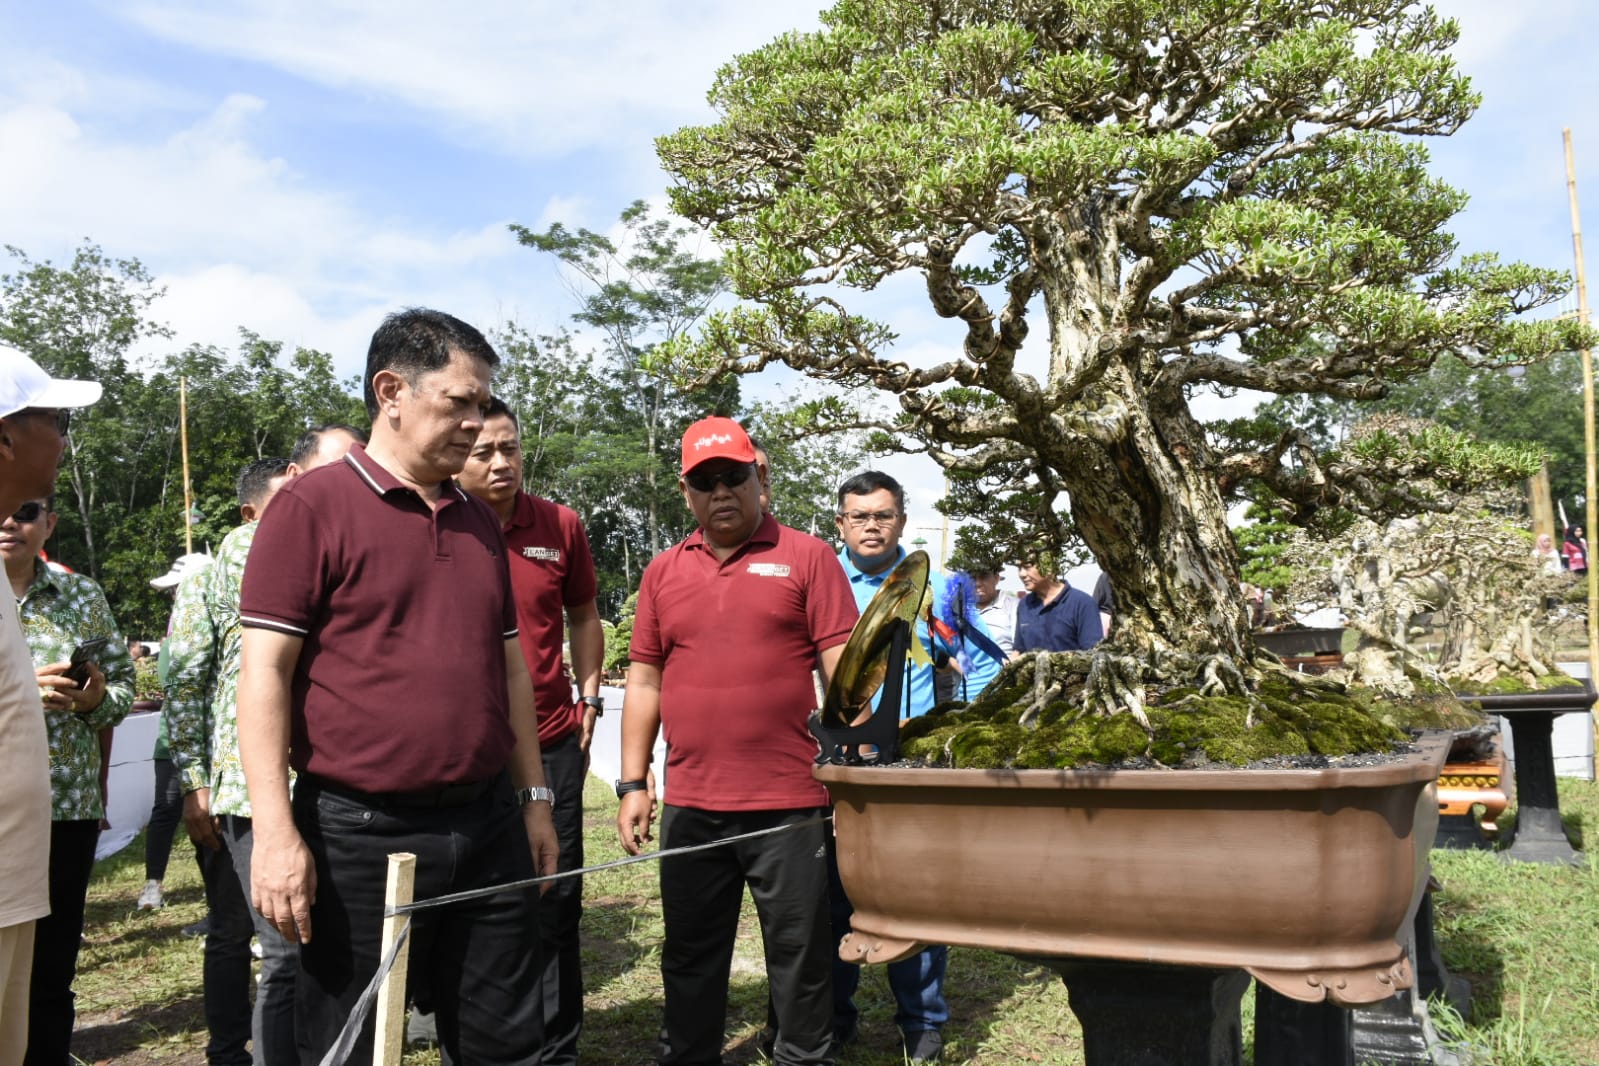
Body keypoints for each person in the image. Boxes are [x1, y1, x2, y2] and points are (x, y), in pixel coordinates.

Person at [237, 308, 558, 1065]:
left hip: (486, 827)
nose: (478, 425)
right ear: (391, 391)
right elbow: (264, 676)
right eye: (460, 402)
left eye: (484, 405)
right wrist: (276, 833)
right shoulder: (310, 511)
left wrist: (534, 799)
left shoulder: (479, 521)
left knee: (504, 1041)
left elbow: (509, 666)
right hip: (358, 833)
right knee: (347, 1044)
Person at [617, 415, 858, 1066]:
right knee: (691, 952)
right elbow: (644, 682)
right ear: (685, 491)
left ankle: (802, 1055)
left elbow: (843, 670)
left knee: (799, 952)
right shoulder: (663, 571)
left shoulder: (808, 556)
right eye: (706, 482)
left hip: (787, 801)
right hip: (694, 805)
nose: (721, 492)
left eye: (734, 477)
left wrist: (854, 763)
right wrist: (634, 782)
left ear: (761, 476)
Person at [831, 471, 1001, 1063]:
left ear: (902, 519)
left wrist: (963, 736)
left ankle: (922, 1021)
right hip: (838, 761)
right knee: (834, 891)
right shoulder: (819, 578)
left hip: (914, 762)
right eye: (860, 516)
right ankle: (835, 1013)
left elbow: (981, 666)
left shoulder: (941, 586)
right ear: (841, 524)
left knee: (918, 893)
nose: (872, 526)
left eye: (883, 515)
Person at [457, 397, 603, 1066]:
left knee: (554, 895)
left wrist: (591, 694)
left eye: (509, 448)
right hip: (466, 753)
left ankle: (555, 1046)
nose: (499, 463)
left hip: (549, 741)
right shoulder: (441, 526)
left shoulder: (560, 525)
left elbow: (582, 613)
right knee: (477, 900)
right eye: (483, 451)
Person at [167, 457, 312, 1066]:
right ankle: (230, 1049)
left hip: (306, 780)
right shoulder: (223, 565)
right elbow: (185, 680)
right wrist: (193, 781)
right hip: (236, 786)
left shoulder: (320, 556)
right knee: (237, 931)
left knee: (294, 940)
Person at [0, 345, 101, 1065]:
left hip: (36, 847)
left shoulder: (77, 591)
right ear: (5, 437)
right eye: (54, 418)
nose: (63, 437)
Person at [140, 552, 217, 915]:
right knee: (166, 812)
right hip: (170, 743)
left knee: (208, 817)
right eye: (173, 593)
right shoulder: (175, 634)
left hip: (211, 743)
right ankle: (152, 884)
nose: (174, 598)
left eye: (179, 590)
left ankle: (219, 902)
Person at [1013, 556, 1103, 653]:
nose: (1021, 574)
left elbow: (1093, 653)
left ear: (1048, 566)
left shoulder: (1082, 603)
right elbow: (1019, 649)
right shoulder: (1024, 604)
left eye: (1027, 567)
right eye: (1019, 568)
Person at [970, 567, 1014, 658]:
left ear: (996, 578)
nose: (977, 583)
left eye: (984, 577)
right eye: (972, 578)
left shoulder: (1014, 607)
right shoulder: (958, 609)